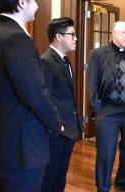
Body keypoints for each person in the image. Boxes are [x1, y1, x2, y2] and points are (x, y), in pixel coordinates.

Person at [0, 0, 63, 192]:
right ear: (21, 2)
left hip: (3, 141)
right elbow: (35, 93)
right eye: (35, 0)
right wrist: (57, 123)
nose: (37, 6)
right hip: (23, 147)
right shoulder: (16, 39)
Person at [87, 21, 125, 192]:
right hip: (108, 111)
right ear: (114, 33)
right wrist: (98, 108)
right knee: (106, 151)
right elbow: (92, 84)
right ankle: (103, 187)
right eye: (124, 33)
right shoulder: (97, 54)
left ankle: (123, 182)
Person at [40, 17, 84, 192]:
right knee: (49, 177)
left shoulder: (65, 60)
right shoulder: (46, 61)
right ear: (59, 36)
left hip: (69, 129)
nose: (75, 39)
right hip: (56, 132)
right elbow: (45, 99)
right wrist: (56, 127)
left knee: (60, 174)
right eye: (72, 35)